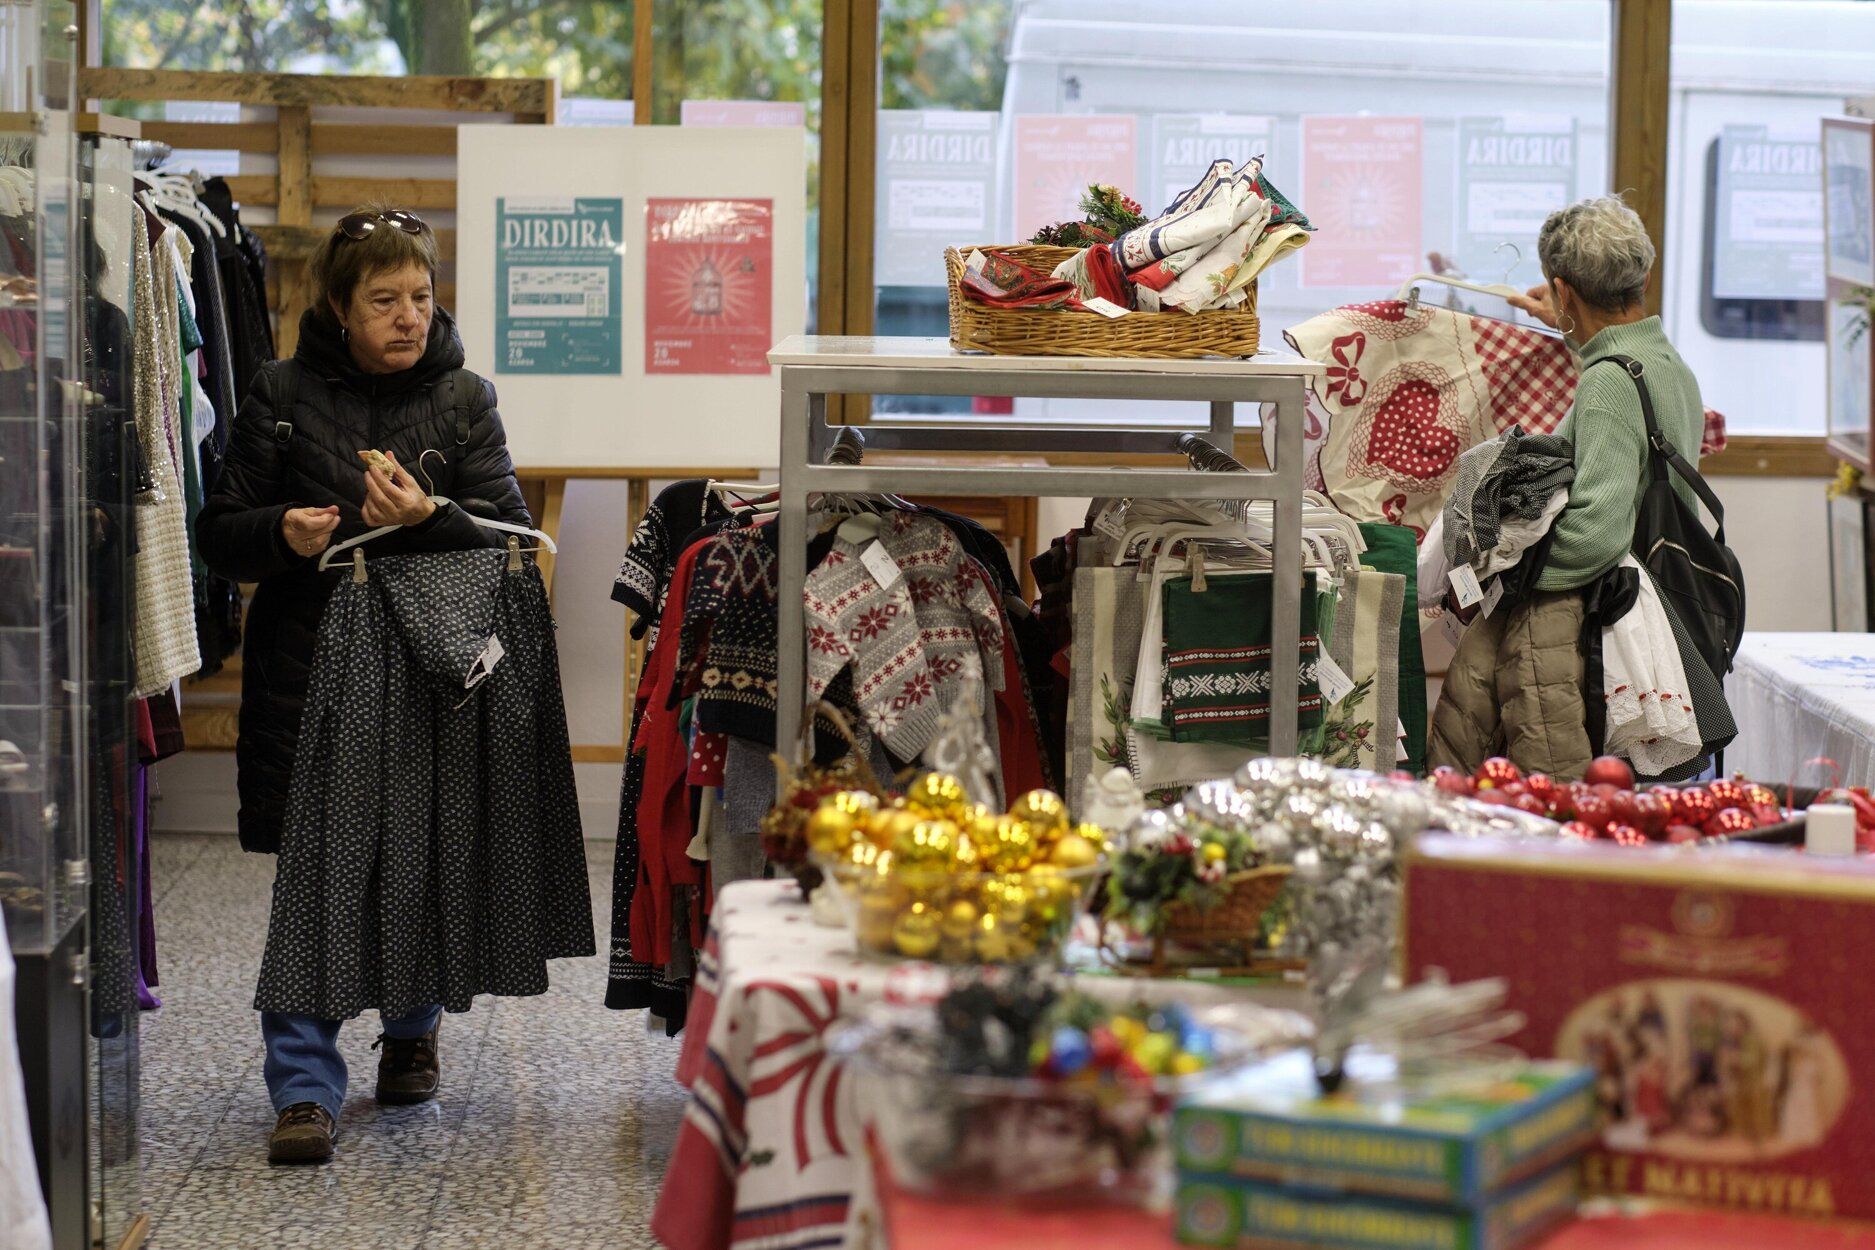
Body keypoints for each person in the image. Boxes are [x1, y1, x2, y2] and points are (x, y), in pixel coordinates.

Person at [198, 205, 532, 1164]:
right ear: (340, 307)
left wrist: (431, 514)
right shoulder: (280, 394)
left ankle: (413, 1028)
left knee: (416, 857)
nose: (409, 317)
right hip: (312, 671)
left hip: (430, 671)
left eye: (421, 297)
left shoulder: (466, 398)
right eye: (384, 300)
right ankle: (302, 1089)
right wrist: (282, 537)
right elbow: (220, 532)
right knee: (315, 876)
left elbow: (510, 542)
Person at [1429, 195, 1707, 778]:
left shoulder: (1607, 382)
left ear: (1565, 290)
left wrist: (1507, 574)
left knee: (1530, 754)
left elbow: (1595, 532)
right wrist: (1562, 316)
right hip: (1662, 599)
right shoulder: (1667, 365)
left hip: (1601, 609)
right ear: (1644, 278)